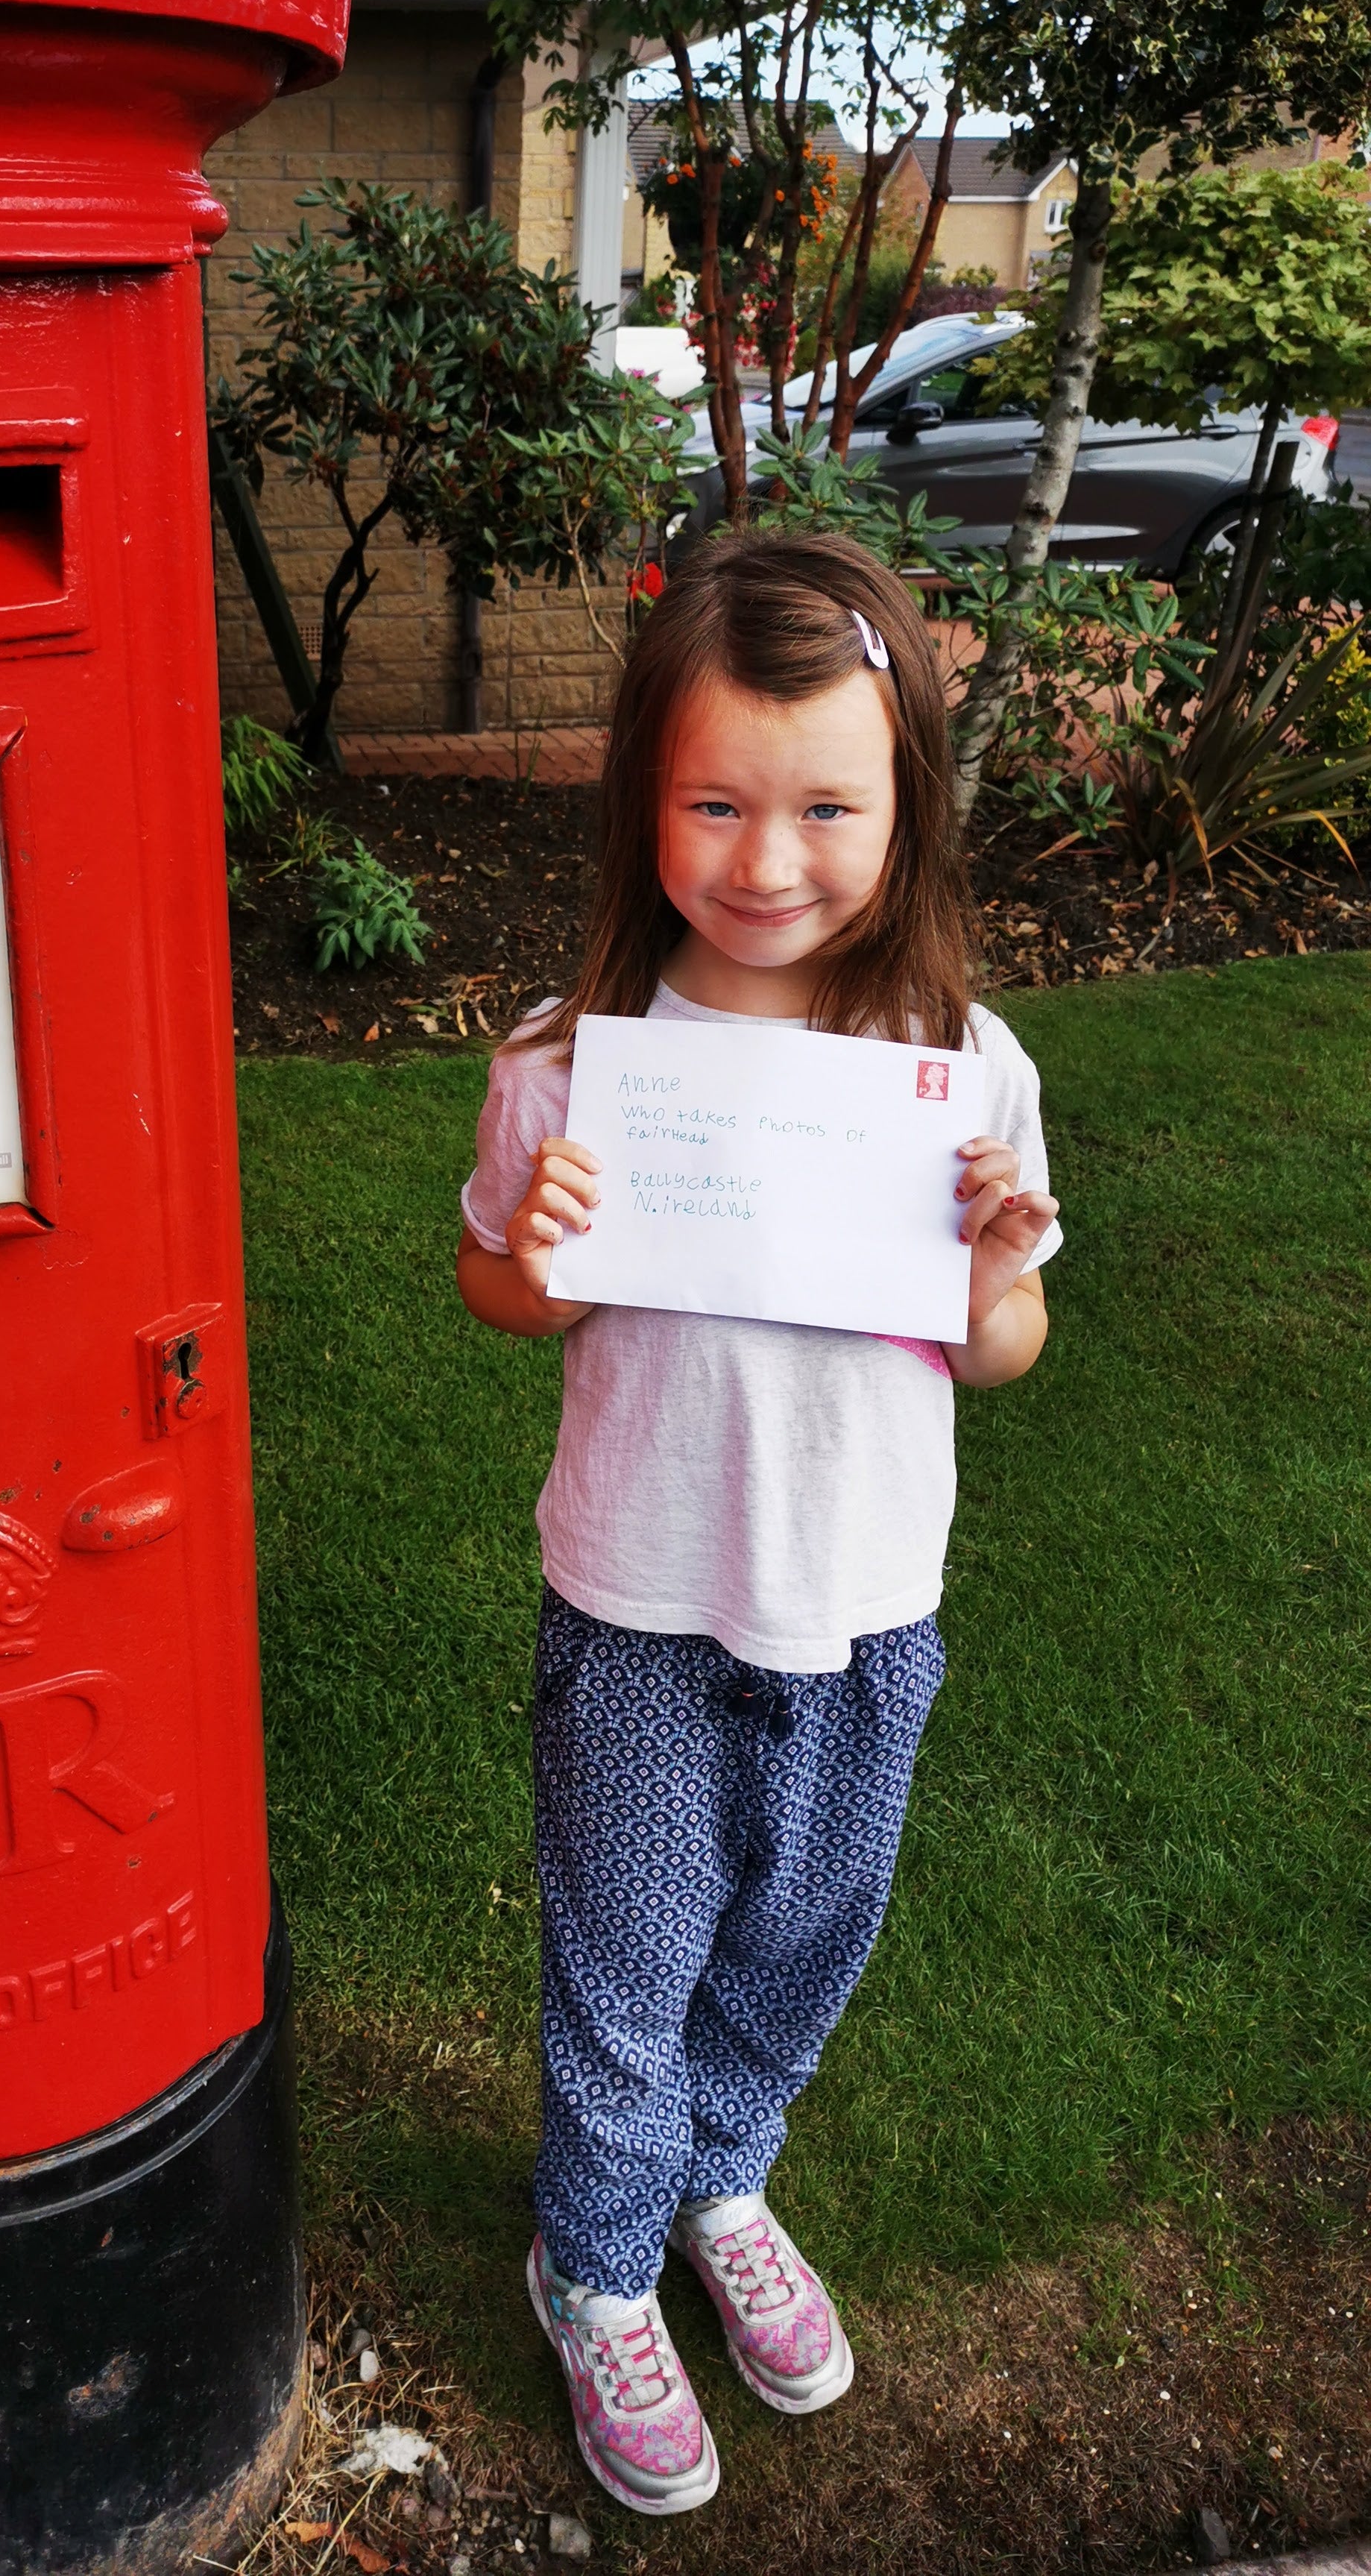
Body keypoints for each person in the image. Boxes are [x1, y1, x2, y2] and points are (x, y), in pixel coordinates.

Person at [456, 530, 1059, 2516]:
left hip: (868, 1602)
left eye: (826, 808)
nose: (768, 858)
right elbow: (502, 1290)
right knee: (626, 1965)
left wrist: (997, 1271)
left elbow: (999, 1352)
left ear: (909, 812)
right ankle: (601, 2264)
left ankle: (725, 2175)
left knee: (803, 1940)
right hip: (641, 1597)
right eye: (717, 801)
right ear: (647, 799)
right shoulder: (568, 1067)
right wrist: (537, 1258)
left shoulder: (957, 1077)